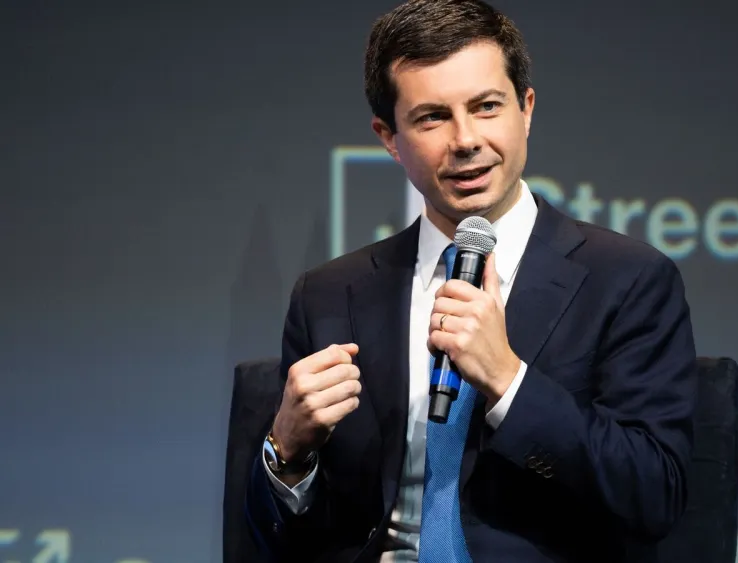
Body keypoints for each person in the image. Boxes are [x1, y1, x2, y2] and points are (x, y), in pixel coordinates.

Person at [244, 0, 698, 561]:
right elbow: (290, 537)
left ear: (525, 109)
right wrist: (287, 453)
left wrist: (508, 381)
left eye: (486, 107)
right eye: (432, 117)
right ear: (389, 137)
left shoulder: (627, 280)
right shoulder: (330, 294)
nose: (465, 140)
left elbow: (655, 494)